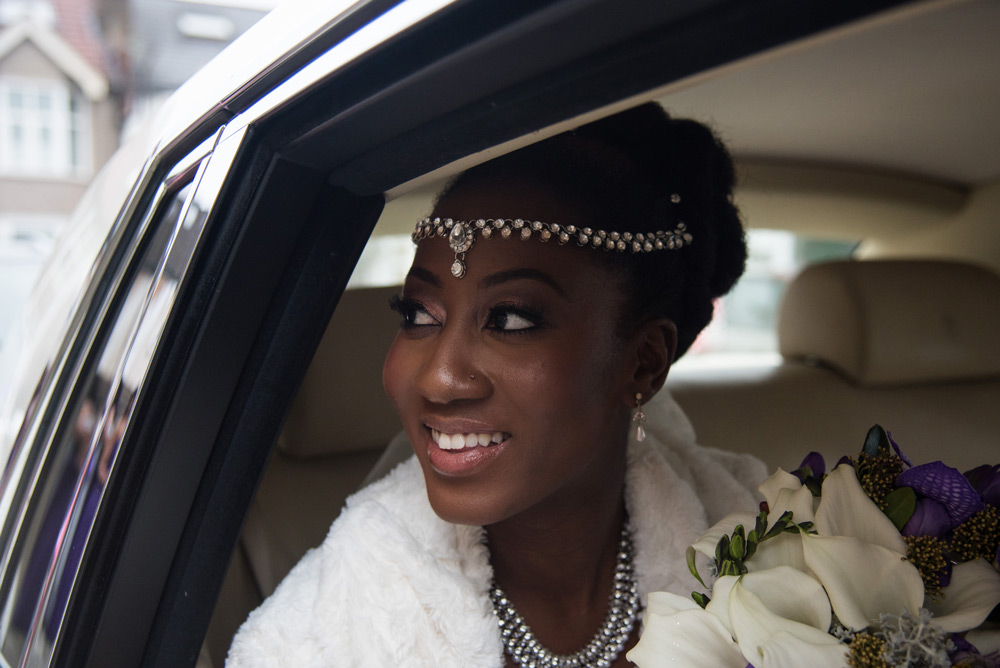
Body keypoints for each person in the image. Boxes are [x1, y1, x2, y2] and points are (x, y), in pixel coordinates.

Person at [226, 103, 767, 667]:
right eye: (417, 315)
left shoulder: (775, 551)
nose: (438, 378)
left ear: (643, 365)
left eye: (510, 319)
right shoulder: (311, 644)